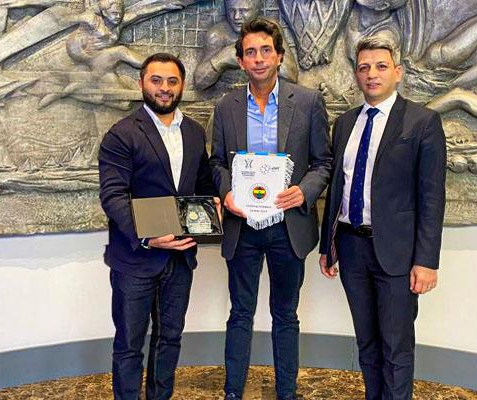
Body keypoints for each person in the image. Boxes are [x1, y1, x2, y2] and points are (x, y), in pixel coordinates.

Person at [209, 17, 331, 400]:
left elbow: (323, 162)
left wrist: (304, 192)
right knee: (239, 313)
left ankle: (286, 393)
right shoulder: (226, 106)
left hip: (288, 226)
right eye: (250, 52)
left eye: (266, 50)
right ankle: (233, 392)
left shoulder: (308, 102)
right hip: (242, 226)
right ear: (240, 61)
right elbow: (216, 163)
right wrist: (227, 193)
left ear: (279, 56)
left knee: (286, 315)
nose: (258, 58)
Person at [319, 35, 446, 400]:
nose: (371, 74)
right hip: (351, 248)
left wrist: (426, 261)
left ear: (397, 72)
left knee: (396, 348)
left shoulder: (422, 122)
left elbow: (432, 197)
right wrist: (328, 245)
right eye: (364, 68)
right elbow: (338, 188)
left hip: (397, 254)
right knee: (367, 344)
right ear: (357, 75)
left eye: (380, 66)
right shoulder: (345, 123)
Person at [98, 52, 215, 400]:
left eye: (172, 81)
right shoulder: (121, 134)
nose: (165, 88)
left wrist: (214, 207)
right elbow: (113, 197)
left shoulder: (194, 132)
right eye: (157, 80)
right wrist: (150, 236)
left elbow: (202, 187)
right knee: (129, 345)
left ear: (182, 85)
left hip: (180, 259)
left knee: (170, 340)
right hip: (135, 259)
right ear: (142, 84)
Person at [193, 0, 298, 90]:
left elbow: (291, 75)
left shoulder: (269, 29)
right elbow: (200, 82)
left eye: (244, 11)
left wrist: (262, 54)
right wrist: (222, 59)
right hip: (226, 98)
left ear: (257, 10)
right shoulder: (217, 35)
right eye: (231, 11)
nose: (236, 17)